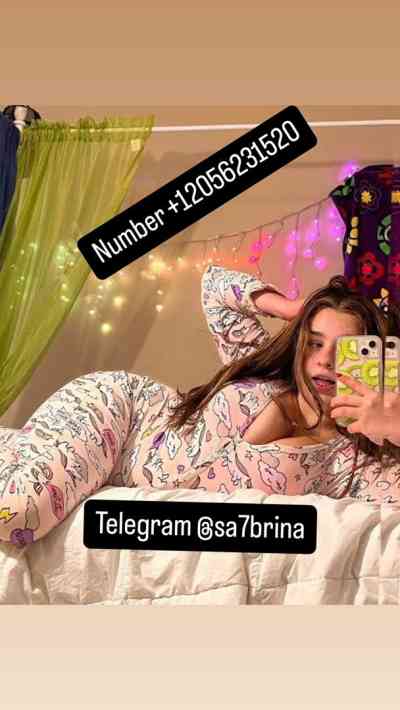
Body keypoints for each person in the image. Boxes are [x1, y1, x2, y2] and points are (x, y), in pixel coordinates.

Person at [0, 264, 394, 547]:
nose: (325, 360)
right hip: (123, 412)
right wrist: (292, 309)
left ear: (373, 360)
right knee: (21, 515)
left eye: (345, 350)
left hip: (118, 468)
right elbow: (215, 286)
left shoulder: (353, 459)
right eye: (314, 342)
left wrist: (393, 428)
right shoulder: (268, 371)